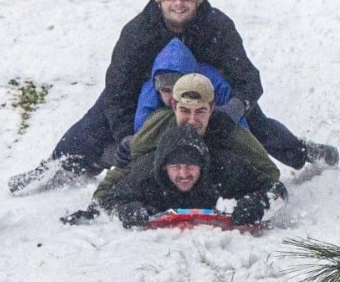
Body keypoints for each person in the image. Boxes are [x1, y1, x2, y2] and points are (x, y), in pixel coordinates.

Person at [9, 0, 336, 194]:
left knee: (257, 126)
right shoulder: (138, 32)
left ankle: (303, 152)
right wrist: (126, 132)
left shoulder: (217, 26)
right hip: (149, 89)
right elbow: (118, 90)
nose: (179, 5)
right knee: (95, 121)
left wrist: (232, 109)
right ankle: (59, 165)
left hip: (208, 91)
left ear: (197, 1)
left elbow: (248, 80)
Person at [92, 73, 280, 206]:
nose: (191, 120)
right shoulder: (157, 127)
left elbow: (269, 173)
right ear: (173, 105)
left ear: (212, 107)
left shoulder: (228, 131)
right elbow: (128, 168)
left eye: (200, 111)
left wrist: (254, 202)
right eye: (184, 111)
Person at [96, 124, 287, 229]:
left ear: (202, 166)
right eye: (175, 167)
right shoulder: (146, 174)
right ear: (163, 168)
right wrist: (127, 210)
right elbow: (106, 199)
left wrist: (257, 204)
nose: (183, 174)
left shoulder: (226, 168)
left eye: (190, 166)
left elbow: (277, 190)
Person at [133, 37, 244, 135]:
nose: (174, 96)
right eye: (167, 90)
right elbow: (142, 133)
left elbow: (240, 128)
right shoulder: (149, 93)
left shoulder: (213, 83)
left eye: (180, 88)